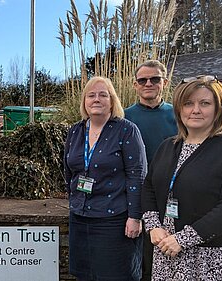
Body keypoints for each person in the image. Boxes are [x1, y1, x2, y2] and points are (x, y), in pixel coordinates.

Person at [141, 75, 222, 281]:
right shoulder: (168, 146)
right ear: (179, 109)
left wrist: (183, 239)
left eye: (205, 103)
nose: (196, 110)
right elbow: (148, 188)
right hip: (166, 252)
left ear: (218, 108)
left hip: (209, 257)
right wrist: (153, 226)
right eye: (188, 103)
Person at [64, 76, 147, 281]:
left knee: (115, 275)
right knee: (85, 275)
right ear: (84, 101)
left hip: (114, 220)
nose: (96, 99)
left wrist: (135, 216)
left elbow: (137, 175)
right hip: (80, 218)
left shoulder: (126, 130)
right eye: (91, 95)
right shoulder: (75, 131)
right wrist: (73, 202)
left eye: (103, 95)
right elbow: (68, 171)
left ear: (112, 100)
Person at [124, 60, 178, 280]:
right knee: (141, 256)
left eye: (154, 79)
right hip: (136, 195)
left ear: (164, 82)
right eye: (142, 80)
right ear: (135, 85)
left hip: (173, 194)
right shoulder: (124, 117)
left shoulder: (179, 115)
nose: (148, 83)